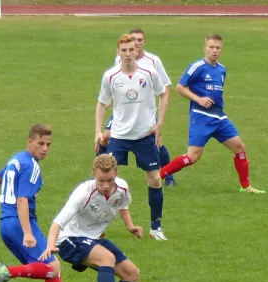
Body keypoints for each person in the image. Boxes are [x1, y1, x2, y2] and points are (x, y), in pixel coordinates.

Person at [40, 154, 143, 282]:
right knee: (107, 259)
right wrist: (50, 245)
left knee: (132, 273)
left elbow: (122, 206)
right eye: (101, 180)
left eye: (109, 180)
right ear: (94, 174)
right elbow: (57, 222)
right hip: (69, 240)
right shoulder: (83, 193)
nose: (105, 186)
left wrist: (130, 226)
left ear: (116, 174)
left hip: (93, 239)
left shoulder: (122, 188)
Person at [0, 123, 72, 282]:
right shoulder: (30, 166)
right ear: (30, 141)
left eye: (48, 144)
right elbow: (22, 199)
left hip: (5, 225)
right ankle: (7, 272)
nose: (45, 149)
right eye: (41, 143)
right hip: (20, 224)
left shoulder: (16, 159)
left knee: (49, 266)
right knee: (52, 267)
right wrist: (28, 233)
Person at [160, 34, 265, 194]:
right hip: (201, 117)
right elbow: (180, 87)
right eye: (211, 47)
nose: (214, 51)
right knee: (192, 157)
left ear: (221, 50)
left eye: (217, 48)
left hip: (220, 118)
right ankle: (158, 176)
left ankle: (246, 187)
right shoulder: (197, 67)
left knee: (239, 148)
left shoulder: (222, 69)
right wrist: (199, 99)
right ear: (205, 49)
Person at [95, 33, 168, 241]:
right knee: (105, 180)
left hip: (144, 134)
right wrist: (98, 131)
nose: (128, 54)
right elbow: (102, 103)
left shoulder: (149, 72)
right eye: (124, 50)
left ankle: (156, 227)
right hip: (119, 135)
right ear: (117, 53)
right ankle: (98, 226)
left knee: (154, 179)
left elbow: (163, 94)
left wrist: (159, 123)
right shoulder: (110, 76)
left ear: (137, 51)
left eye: (131, 50)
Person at [98, 28, 176, 187]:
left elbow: (166, 86)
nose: (137, 43)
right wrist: (111, 98)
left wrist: (161, 112)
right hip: (123, 110)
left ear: (143, 42)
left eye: (140, 40)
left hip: (144, 111)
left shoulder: (153, 61)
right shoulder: (119, 61)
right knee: (105, 136)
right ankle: (99, 173)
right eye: (135, 39)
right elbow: (118, 82)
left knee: (157, 141)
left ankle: (168, 176)